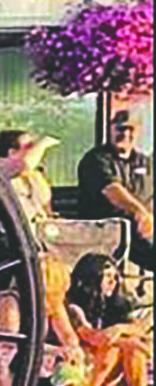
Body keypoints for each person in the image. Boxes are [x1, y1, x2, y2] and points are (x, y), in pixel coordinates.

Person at [53, 250, 150, 386]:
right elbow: (93, 338)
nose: (113, 282)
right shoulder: (74, 307)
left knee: (132, 352)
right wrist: (133, 343)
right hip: (76, 369)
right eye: (107, 277)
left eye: (115, 276)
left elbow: (139, 328)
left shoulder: (116, 304)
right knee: (114, 348)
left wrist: (120, 329)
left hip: (103, 370)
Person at [76, 113, 149, 270]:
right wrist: (141, 213)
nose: (125, 134)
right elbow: (113, 191)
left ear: (139, 132)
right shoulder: (96, 160)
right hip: (109, 234)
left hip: (144, 231)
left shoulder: (146, 162)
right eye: (120, 129)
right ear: (110, 130)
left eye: (130, 129)